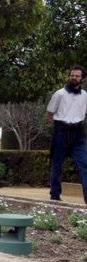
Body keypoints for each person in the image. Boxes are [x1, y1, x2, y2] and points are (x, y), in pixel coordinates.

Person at [47, 64, 87, 203]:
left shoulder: (85, 96)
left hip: (78, 132)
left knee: (85, 163)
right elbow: (50, 113)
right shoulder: (59, 94)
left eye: (77, 76)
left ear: (82, 78)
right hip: (61, 130)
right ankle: (55, 195)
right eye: (72, 75)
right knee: (57, 164)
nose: (74, 78)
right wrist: (58, 127)